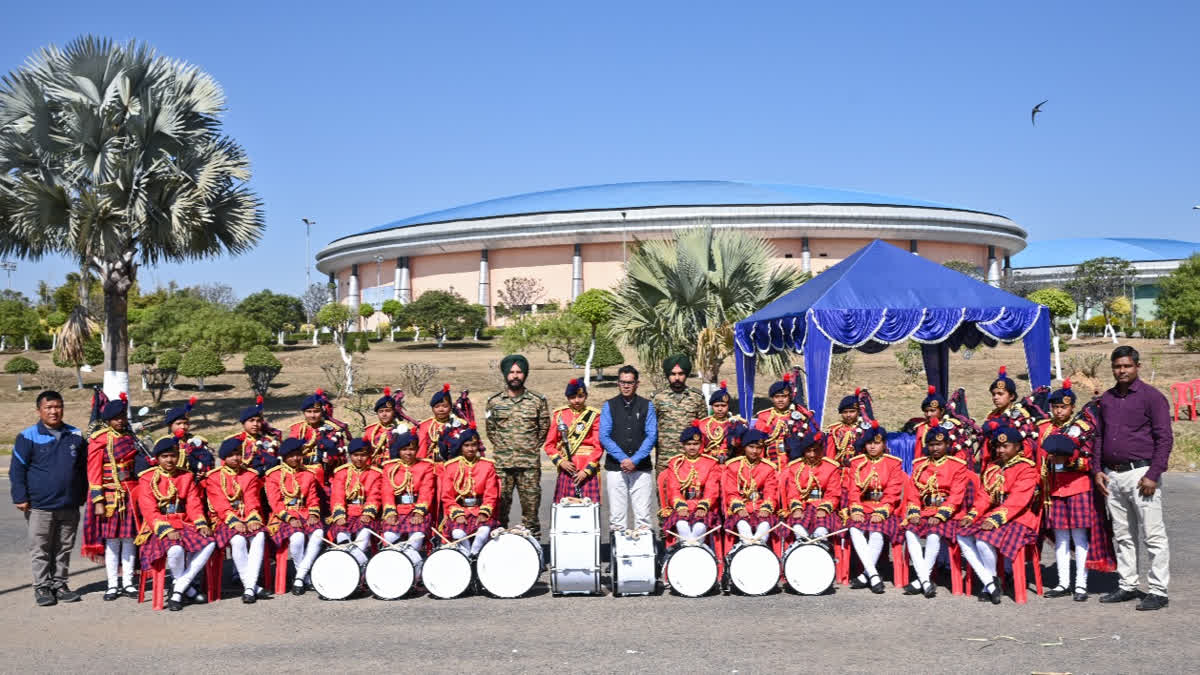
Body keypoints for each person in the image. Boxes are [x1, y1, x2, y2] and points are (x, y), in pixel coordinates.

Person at [1094, 345, 1172, 611]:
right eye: (1117, 366)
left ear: (1137, 366)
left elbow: (1165, 439)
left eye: (1127, 366)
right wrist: (1097, 469)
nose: (1122, 370)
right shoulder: (1106, 399)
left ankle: (1158, 590)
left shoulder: (1152, 398)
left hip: (1141, 474)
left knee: (1153, 534)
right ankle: (1127, 584)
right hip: (1113, 475)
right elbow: (1099, 437)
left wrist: (1153, 474)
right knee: (1123, 534)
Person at [1036, 380, 1113, 601]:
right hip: (1055, 489)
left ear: (1072, 408)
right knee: (1060, 538)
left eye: (1064, 407)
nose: (1059, 410)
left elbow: (1090, 459)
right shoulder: (1046, 428)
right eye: (1055, 406)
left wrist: (1067, 462)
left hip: (1079, 487)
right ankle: (1062, 583)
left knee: (1079, 538)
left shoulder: (1083, 428)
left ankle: (1080, 584)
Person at [10, 390, 86, 607]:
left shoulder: (76, 435)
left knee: (64, 547)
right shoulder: (27, 436)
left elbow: (83, 470)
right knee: (41, 548)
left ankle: (60, 584)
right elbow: (17, 470)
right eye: (49, 407)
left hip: (69, 504)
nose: (54, 411)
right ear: (39, 410)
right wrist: (20, 497)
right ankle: (42, 587)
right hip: (40, 506)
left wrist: (80, 495)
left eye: (58, 407)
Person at [956, 423, 1039, 605]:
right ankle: (991, 581)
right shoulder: (993, 467)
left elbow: (1017, 501)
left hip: (1019, 518)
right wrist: (972, 515)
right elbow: (984, 496)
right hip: (996, 515)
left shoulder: (1027, 468)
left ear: (1018, 447)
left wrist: (995, 519)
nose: (1000, 450)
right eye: (998, 446)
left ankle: (989, 585)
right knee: (961, 534)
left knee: (983, 539)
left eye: (1005, 446)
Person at [135, 437, 217, 611]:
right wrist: (166, 530)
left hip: (184, 523)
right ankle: (186, 590)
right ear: (157, 458)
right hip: (157, 527)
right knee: (176, 550)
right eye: (165, 456)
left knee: (210, 542)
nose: (170, 460)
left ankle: (179, 588)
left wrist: (201, 524)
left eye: (173, 456)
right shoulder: (147, 478)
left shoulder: (186, 476)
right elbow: (149, 511)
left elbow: (193, 505)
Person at [83, 392, 140, 600]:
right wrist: (98, 500)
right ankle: (112, 584)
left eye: (123, 417)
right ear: (108, 420)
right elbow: (94, 471)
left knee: (129, 540)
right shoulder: (100, 440)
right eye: (117, 418)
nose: (121, 421)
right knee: (112, 541)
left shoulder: (130, 437)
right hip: (108, 496)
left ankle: (128, 583)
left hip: (130, 495)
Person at [485, 354, 550, 537]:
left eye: (519, 372)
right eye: (511, 372)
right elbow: (491, 431)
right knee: (499, 512)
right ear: (505, 374)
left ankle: (534, 550)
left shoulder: (537, 401)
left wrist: (528, 448)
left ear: (525, 374)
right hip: (503, 465)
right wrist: (505, 448)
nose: (515, 376)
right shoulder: (494, 401)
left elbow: (544, 429)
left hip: (529, 465)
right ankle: (499, 548)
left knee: (531, 513)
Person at [903, 427, 970, 598]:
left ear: (947, 444)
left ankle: (921, 580)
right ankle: (926, 580)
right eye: (931, 445)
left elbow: (956, 496)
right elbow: (913, 494)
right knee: (910, 532)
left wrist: (940, 515)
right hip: (925, 512)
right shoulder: (919, 466)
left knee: (933, 535)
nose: (935, 448)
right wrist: (915, 513)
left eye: (939, 444)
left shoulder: (957, 466)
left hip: (949, 515)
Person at [207, 438, 269, 603]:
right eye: (230, 455)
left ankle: (249, 588)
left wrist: (252, 518)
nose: (235, 458)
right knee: (238, 540)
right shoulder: (214, 477)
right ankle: (251, 587)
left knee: (260, 535)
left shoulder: (249, 475)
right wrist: (234, 521)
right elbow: (220, 505)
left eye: (238, 454)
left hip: (248, 516)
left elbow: (252, 500)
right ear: (223, 458)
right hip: (223, 520)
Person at [846, 421, 904, 594]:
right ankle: (873, 574)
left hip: (884, 508)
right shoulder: (857, 463)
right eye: (869, 443)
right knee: (854, 529)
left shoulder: (893, 463)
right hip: (863, 505)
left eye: (876, 443)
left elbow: (893, 491)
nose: (872, 447)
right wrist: (856, 509)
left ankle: (866, 575)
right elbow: (853, 489)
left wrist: (882, 511)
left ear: (884, 444)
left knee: (876, 530)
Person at [598, 365, 658, 532]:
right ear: (618, 383)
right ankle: (617, 555)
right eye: (622, 382)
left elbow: (651, 435)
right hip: (616, 467)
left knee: (643, 516)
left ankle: (644, 555)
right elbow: (604, 435)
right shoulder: (609, 406)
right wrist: (623, 459)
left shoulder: (647, 406)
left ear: (637, 384)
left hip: (641, 468)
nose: (625, 386)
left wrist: (635, 460)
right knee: (617, 518)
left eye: (629, 382)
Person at [264, 437, 326, 595]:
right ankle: (304, 577)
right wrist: (290, 518)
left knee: (318, 533)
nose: (295, 458)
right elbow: (275, 503)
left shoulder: (308, 475)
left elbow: (313, 498)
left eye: (298, 454)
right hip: (282, 517)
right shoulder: (274, 475)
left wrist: (313, 513)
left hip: (304, 513)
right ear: (284, 457)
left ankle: (299, 576)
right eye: (291, 455)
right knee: (297, 538)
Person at [439, 426, 499, 557]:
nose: (471, 449)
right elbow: (447, 496)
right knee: (458, 534)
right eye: (466, 445)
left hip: (479, 509)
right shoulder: (451, 466)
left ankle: (474, 555)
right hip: (460, 510)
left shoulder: (487, 466)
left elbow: (491, 494)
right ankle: (467, 557)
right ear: (461, 446)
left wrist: (484, 512)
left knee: (483, 531)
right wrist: (457, 514)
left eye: (474, 445)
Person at [659, 422, 722, 546]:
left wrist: (702, 507)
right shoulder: (675, 463)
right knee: (682, 526)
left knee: (699, 528)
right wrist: (681, 506)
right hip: (681, 506)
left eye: (695, 444)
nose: (692, 447)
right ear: (683, 445)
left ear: (701, 444)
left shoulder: (710, 463)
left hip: (703, 507)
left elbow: (711, 489)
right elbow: (673, 488)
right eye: (688, 444)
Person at [543, 378, 603, 503]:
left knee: (589, 508)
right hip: (567, 468)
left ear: (586, 396)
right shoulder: (559, 414)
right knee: (565, 508)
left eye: (580, 396)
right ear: (567, 397)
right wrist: (561, 462)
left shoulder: (594, 416)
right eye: (572, 396)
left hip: (587, 469)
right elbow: (549, 445)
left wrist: (586, 471)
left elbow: (598, 447)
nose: (576, 400)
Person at [326, 438, 383, 565]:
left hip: (366, 513)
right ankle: (355, 566)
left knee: (363, 537)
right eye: (355, 455)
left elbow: (375, 496)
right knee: (342, 537)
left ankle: (352, 567)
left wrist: (368, 513)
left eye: (363, 455)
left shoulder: (375, 474)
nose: (359, 459)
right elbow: (337, 496)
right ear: (350, 455)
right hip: (346, 513)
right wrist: (340, 516)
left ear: (368, 455)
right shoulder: (341, 473)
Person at [780, 431, 841, 544]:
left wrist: (824, 508)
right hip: (802, 506)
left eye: (816, 451)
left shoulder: (831, 467)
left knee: (821, 529)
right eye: (808, 451)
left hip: (824, 506)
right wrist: (797, 509)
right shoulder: (795, 467)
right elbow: (793, 493)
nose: (812, 455)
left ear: (822, 450)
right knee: (797, 526)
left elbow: (833, 493)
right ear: (803, 451)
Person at [650, 355, 708, 473]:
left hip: (691, 459)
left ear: (686, 374)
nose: (677, 378)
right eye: (673, 374)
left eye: (681, 374)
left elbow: (704, 428)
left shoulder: (697, 397)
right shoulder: (658, 398)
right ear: (667, 375)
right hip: (665, 460)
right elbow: (651, 429)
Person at [379, 431, 435, 550]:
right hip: (397, 510)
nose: (408, 453)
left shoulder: (426, 466)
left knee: (416, 538)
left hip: (418, 509)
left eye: (412, 449)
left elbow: (427, 491)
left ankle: (415, 565)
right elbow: (387, 492)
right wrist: (390, 513)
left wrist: (419, 512)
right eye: (404, 449)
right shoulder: (390, 468)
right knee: (389, 537)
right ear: (399, 450)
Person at [722, 428, 778, 544]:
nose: (755, 451)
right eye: (751, 447)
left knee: (764, 527)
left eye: (758, 448)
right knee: (744, 528)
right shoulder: (733, 466)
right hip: (741, 509)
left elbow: (770, 491)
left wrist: (766, 508)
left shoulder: (768, 468)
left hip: (760, 508)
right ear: (744, 447)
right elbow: (731, 491)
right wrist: (739, 508)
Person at [287, 389, 349, 486]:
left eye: (316, 411)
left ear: (322, 411)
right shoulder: (297, 429)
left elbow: (342, 457)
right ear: (304, 413)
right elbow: (288, 453)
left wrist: (331, 459)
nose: (312, 415)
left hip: (327, 474)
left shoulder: (333, 430)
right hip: (300, 471)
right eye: (309, 411)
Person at [158, 397, 214, 493]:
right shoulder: (164, 443)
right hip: (171, 483)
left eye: (186, 423)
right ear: (170, 426)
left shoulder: (197, 440)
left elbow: (208, 459)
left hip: (195, 484)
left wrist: (204, 471)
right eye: (178, 423)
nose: (183, 427)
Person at [754, 373, 812, 463]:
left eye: (784, 396)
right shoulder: (764, 417)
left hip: (794, 462)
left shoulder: (799, 417)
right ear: (772, 399)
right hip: (770, 462)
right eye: (777, 397)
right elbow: (757, 444)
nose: (780, 400)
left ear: (790, 397)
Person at [985, 366, 1036, 460]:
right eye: (993, 394)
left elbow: (1027, 445)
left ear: (1012, 396)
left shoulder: (1020, 416)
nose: (995, 397)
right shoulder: (991, 415)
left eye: (1000, 394)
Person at [224, 395, 282, 476]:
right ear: (243, 423)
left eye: (258, 421)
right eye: (251, 421)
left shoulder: (268, 441)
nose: (255, 424)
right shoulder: (236, 441)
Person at [417, 383, 467, 461]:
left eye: (445, 406)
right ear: (432, 408)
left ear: (450, 407)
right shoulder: (426, 425)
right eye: (437, 407)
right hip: (430, 464)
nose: (441, 410)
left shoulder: (459, 424)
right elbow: (421, 450)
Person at [697, 381, 740, 462]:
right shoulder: (703, 424)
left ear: (728, 406)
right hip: (708, 462)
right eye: (716, 406)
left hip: (730, 463)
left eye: (723, 405)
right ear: (712, 407)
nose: (720, 409)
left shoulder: (735, 424)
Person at [363, 388, 403, 466]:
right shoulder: (370, 431)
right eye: (381, 411)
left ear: (394, 412)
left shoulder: (402, 429)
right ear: (377, 413)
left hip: (396, 468)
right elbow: (366, 453)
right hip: (376, 468)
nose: (384, 414)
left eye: (388, 411)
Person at [824, 392, 863, 467]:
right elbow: (830, 453)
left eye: (852, 411)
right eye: (845, 412)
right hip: (839, 468)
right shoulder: (835, 430)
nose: (848, 415)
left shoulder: (863, 429)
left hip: (859, 467)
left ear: (858, 412)